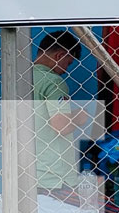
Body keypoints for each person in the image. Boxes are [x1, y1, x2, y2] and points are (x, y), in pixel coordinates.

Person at [32, 30, 89, 200]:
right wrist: (81, 115)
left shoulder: (20, 77)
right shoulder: (53, 82)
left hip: (28, 171)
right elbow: (61, 125)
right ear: (59, 55)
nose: (65, 70)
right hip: (54, 176)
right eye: (68, 63)